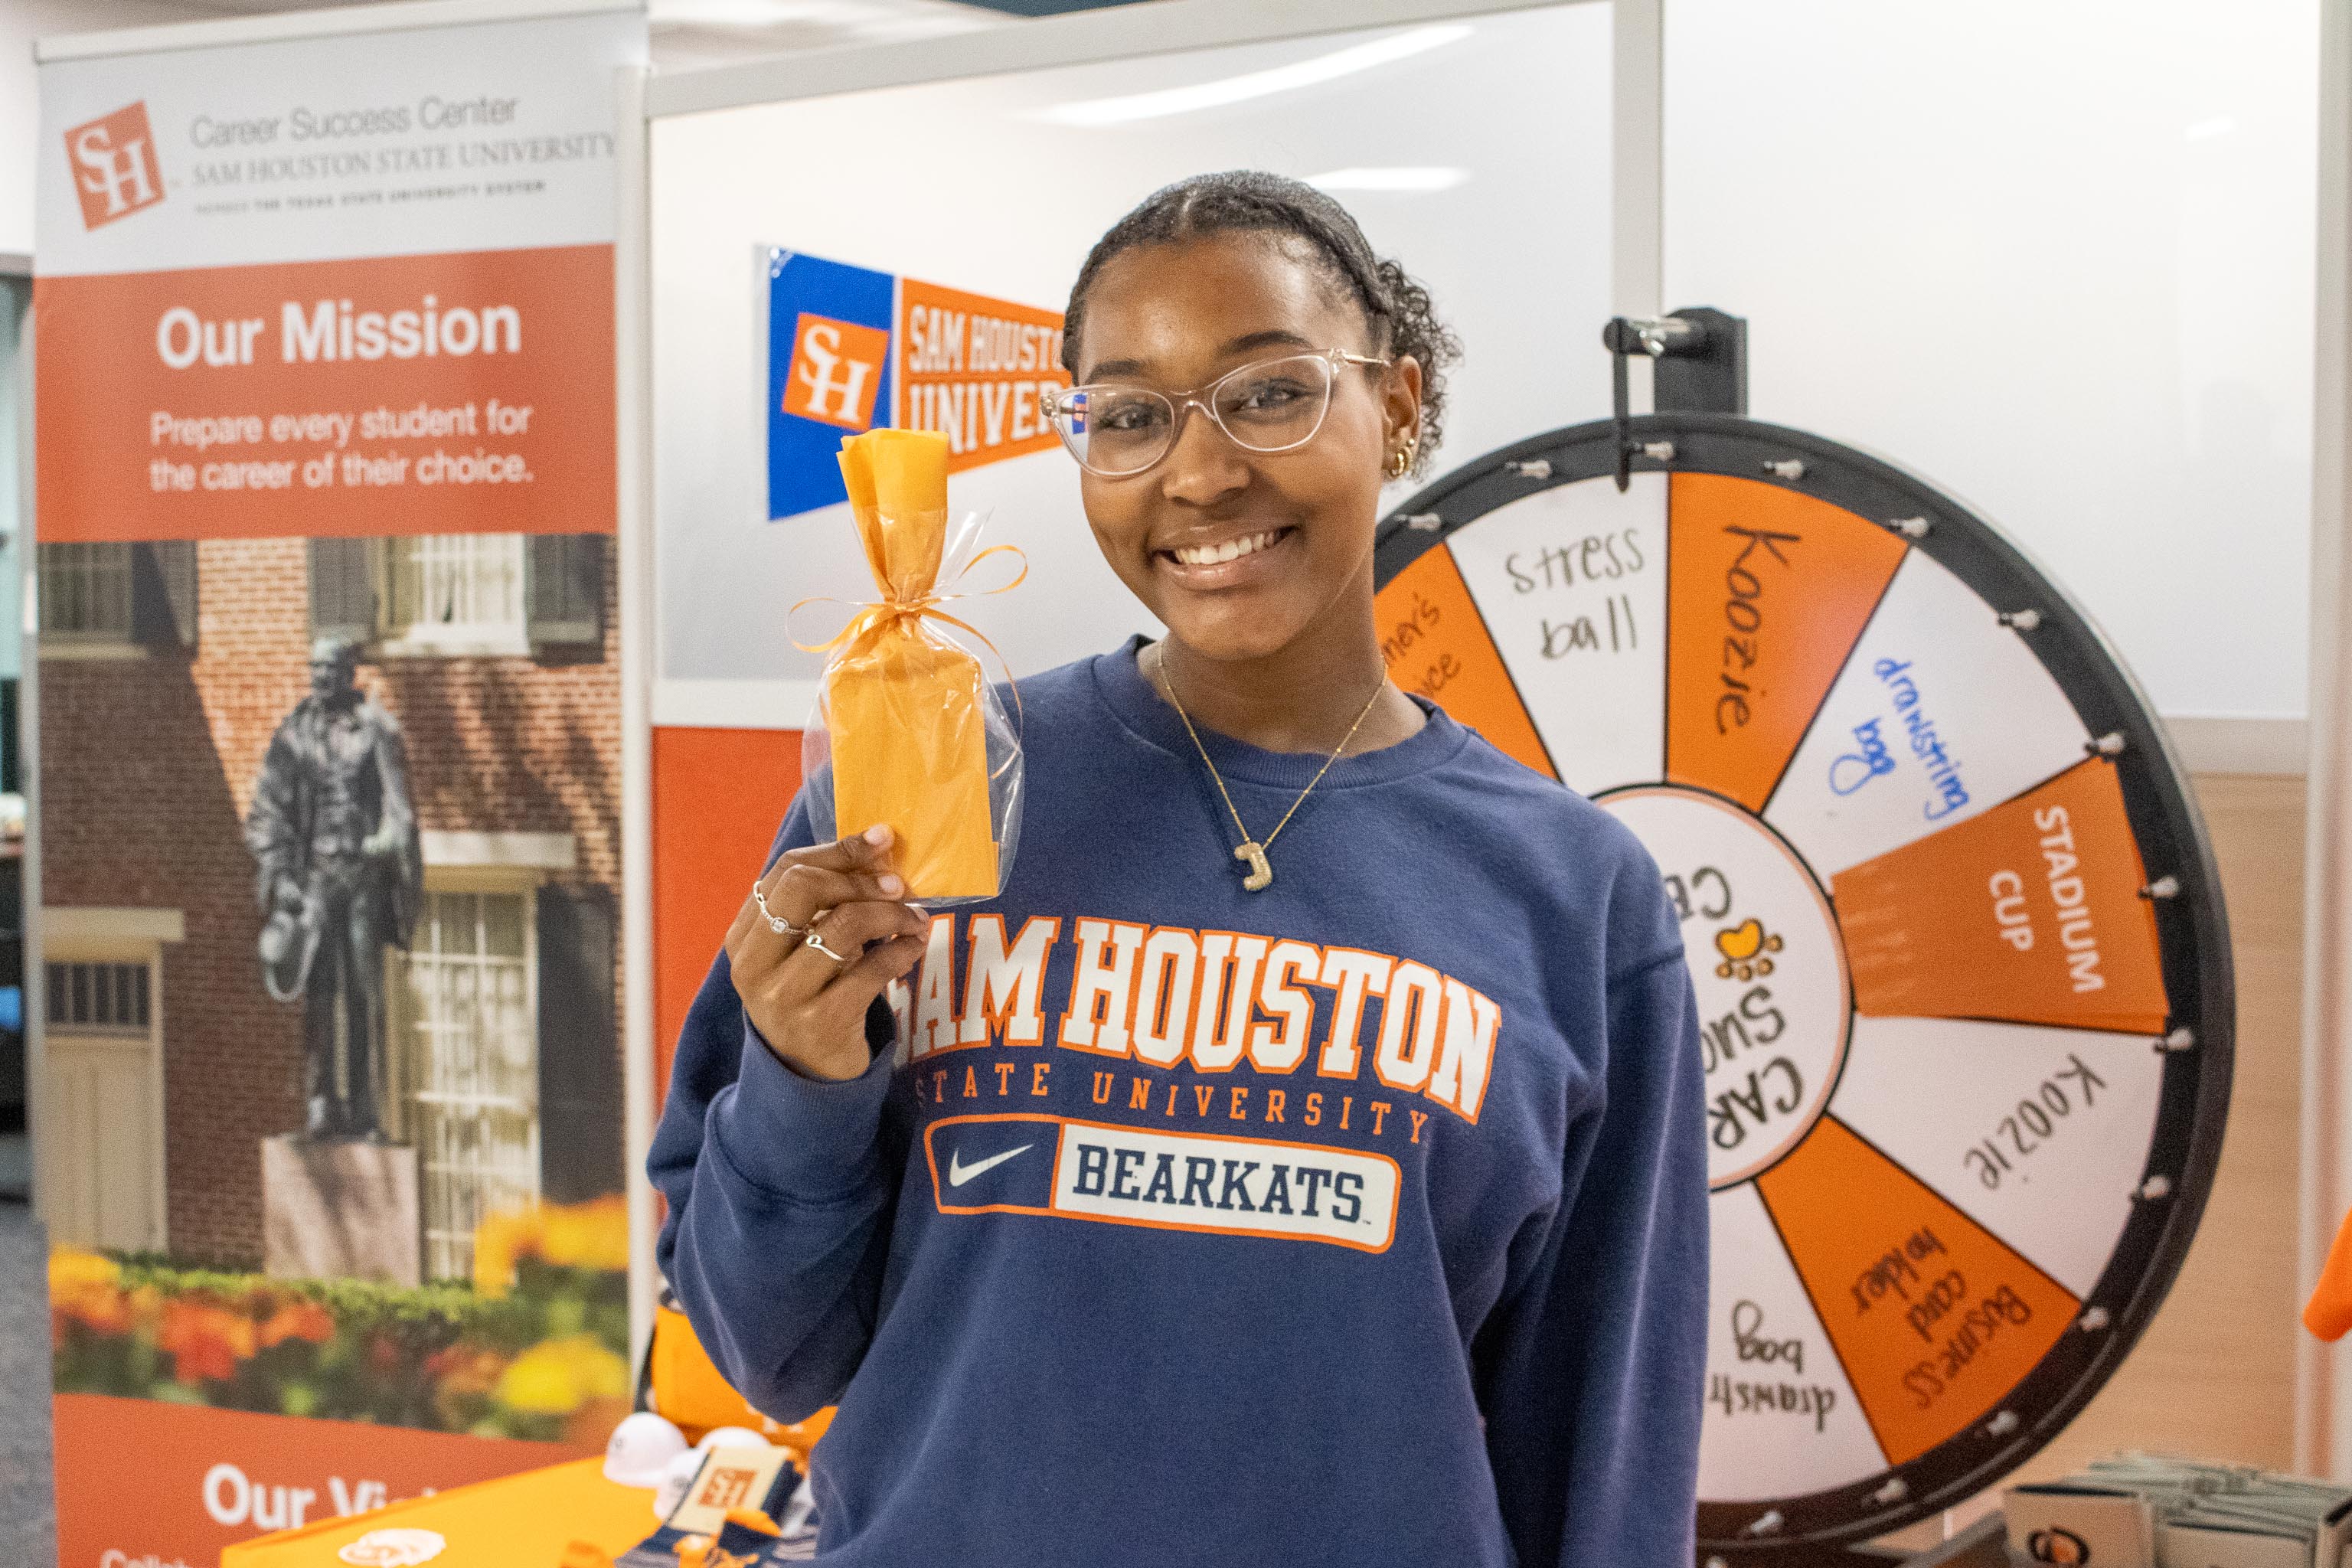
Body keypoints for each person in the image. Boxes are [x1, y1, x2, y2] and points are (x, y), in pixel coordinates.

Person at [652, 171, 1706, 1566]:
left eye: (1268, 392)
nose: (1199, 474)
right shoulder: (918, 803)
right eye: (1129, 417)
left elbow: (1601, 1460)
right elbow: (769, 1356)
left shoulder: (1574, 896)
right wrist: (799, 1079)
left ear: (1392, 405)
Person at [246, 635, 423, 1141]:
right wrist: (282, 879)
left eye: (329, 669)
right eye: (314, 668)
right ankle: (322, 1101)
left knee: (363, 994)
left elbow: (398, 810)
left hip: (362, 878)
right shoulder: (293, 736)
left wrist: (385, 840)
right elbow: (266, 816)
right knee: (319, 993)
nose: (319, 677)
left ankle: (365, 1108)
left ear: (349, 674)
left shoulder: (377, 730)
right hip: (318, 882)